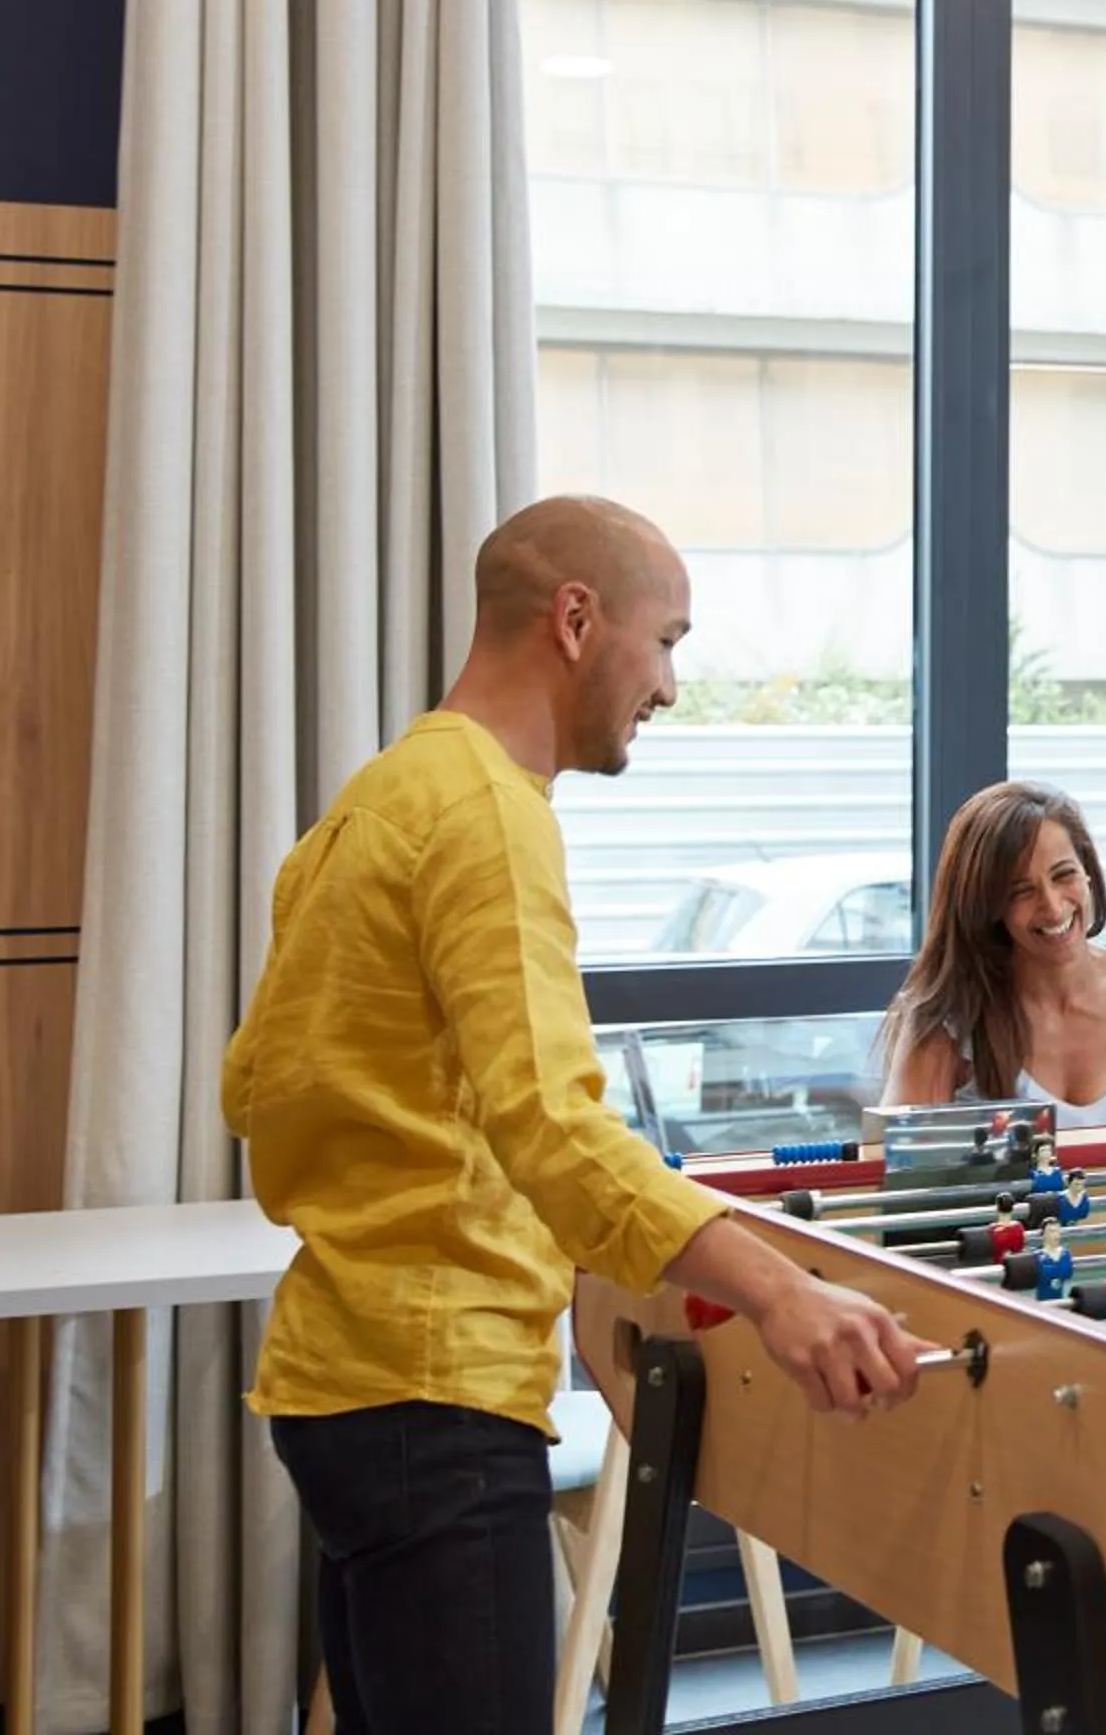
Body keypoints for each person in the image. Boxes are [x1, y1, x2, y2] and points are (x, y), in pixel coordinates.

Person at [221, 495, 925, 1735]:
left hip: (339, 1380)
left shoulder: (381, 794)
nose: (668, 684)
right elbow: (553, 1123)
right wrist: (783, 1290)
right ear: (577, 618)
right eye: (666, 641)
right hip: (436, 1402)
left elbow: (256, 1083)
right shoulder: (489, 818)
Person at [876, 780, 1106, 1125]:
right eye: (1021, 891)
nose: (1052, 907)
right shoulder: (947, 1020)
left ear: (1087, 872)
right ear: (987, 907)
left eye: (1064, 875)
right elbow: (896, 1163)